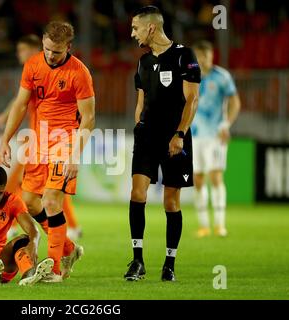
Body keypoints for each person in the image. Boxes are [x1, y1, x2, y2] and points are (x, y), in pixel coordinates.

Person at [0, 21, 95, 283]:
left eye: (57, 51)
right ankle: (69, 249)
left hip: (65, 142)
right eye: (48, 49)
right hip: (38, 142)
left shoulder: (80, 73)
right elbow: (20, 104)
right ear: (42, 41)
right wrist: (5, 138)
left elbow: (88, 118)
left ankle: (53, 269)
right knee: (29, 201)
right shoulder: (33, 65)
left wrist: (75, 155)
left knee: (52, 201)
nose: (51, 55)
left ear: (69, 47)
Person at [125, 6, 201, 282]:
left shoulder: (184, 56)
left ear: (151, 28)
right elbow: (141, 101)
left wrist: (180, 134)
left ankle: (169, 263)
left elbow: (192, 100)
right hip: (146, 136)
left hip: (175, 137)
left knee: (171, 202)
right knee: (137, 193)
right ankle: (137, 261)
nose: (132, 33)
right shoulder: (143, 62)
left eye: (135, 28)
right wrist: (138, 126)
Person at [0, 34, 83, 241]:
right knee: (45, 190)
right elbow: (21, 100)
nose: (19, 55)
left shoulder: (46, 71)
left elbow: (20, 101)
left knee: (35, 187)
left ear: (33, 49)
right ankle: (68, 232)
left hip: (49, 139)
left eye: (21, 50)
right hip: (37, 138)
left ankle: (15, 224)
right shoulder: (35, 71)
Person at [191, 40, 241, 238]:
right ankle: (203, 225)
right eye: (200, 55)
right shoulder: (189, 77)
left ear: (211, 56)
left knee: (216, 177)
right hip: (194, 135)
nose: (203, 59)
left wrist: (226, 124)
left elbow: (235, 102)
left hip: (215, 135)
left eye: (207, 55)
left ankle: (220, 224)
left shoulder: (222, 77)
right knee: (198, 179)